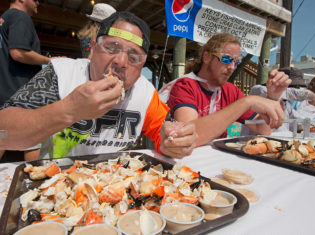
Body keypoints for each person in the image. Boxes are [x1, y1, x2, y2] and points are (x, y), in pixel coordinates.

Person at [0, 12, 196, 160]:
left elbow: (164, 137)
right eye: (111, 47)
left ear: (141, 66)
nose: (120, 61)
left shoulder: (145, 93)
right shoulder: (62, 74)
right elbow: (3, 134)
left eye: (134, 56)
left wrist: (175, 141)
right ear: (93, 49)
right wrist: (70, 109)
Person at [164, 33, 290, 146]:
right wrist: (247, 102)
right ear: (206, 57)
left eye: (236, 62)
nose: (232, 67)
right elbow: (189, 137)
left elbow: (262, 130)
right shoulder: (185, 86)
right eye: (226, 59)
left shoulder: (230, 91)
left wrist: (273, 97)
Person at [0, 0, 60, 161]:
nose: (38, 2)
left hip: (4, 90)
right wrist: (50, 61)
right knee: (34, 139)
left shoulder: (5, 18)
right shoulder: (21, 17)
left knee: (3, 137)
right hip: (18, 94)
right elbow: (18, 52)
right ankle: (35, 179)